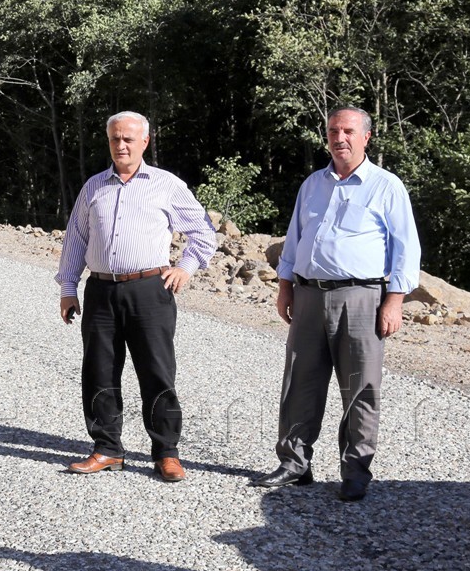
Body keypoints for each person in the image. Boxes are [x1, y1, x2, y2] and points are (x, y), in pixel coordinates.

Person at [251, 106, 420, 502]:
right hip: (309, 294)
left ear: (366, 137)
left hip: (361, 298)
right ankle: (294, 463)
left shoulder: (386, 186)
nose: (339, 138)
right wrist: (285, 286)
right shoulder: (313, 184)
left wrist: (394, 301)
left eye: (348, 131)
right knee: (299, 381)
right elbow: (295, 239)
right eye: (332, 131)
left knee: (360, 388)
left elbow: (406, 250)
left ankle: (355, 472)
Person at [55, 111, 216, 482]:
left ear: (145, 141)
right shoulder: (94, 187)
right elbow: (76, 238)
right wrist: (68, 288)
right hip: (100, 290)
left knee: (156, 371)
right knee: (99, 370)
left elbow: (204, 232)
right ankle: (107, 448)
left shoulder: (166, 184)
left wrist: (185, 267)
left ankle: (167, 453)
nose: (121, 145)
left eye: (128, 139)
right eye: (115, 138)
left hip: (149, 290)